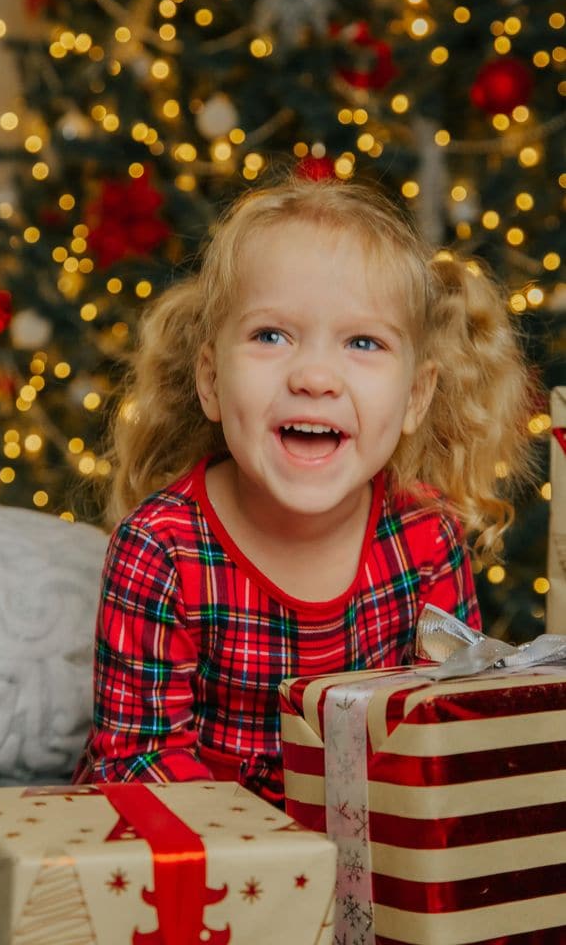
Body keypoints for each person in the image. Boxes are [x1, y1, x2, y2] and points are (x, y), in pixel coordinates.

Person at [73, 175, 534, 803]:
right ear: (210, 380)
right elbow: (138, 760)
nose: (315, 376)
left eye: (363, 342)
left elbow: (438, 733)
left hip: (367, 849)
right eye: (271, 336)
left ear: (415, 398)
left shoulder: (426, 537)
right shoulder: (161, 548)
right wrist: (283, 869)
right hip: (204, 859)